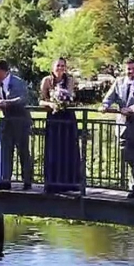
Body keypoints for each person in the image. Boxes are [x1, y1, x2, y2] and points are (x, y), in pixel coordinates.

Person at [99, 58, 134, 198]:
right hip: (123, 127)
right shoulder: (119, 82)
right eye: (128, 69)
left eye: (133, 68)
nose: (131, 71)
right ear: (125, 69)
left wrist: (132, 109)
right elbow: (109, 97)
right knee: (128, 156)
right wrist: (105, 106)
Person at [0, 60, 33, 191]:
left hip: (20, 121)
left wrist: (7, 103)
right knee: (6, 152)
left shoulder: (18, 82)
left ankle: (27, 181)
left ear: (2, 71)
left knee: (23, 151)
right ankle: (5, 180)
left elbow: (23, 99)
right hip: (5, 122)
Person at [39, 58, 81, 193]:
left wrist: (64, 100)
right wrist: (51, 104)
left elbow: (70, 96)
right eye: (58, 65)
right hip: (53, 116)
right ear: (53, 67)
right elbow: (41, 100)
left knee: (68, 148)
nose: (60, 68)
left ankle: (70, 182)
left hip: (67, 117)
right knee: (54, 149)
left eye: (63, 66)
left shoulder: (70, 80)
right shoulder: (46, 80)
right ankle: (53, 182)